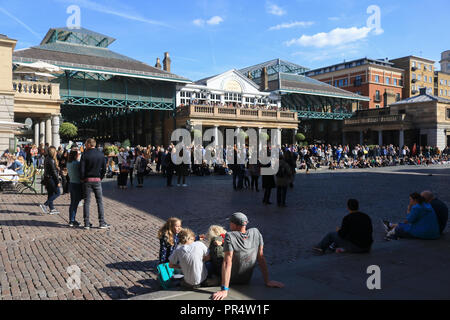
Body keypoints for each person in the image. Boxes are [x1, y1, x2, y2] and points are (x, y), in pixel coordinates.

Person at [212, 212, 284, 300]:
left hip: (231, 279)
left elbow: (227, 263)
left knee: (215, 246)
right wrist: (267, 281)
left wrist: (224, 290)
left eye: (230, 223)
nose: (229, 224)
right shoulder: (256, 232)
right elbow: (261, 257)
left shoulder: (229, 236)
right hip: (245, 279)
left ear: (234, 225)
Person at [80, 138, 109, 230]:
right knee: (99, 201)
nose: (85, 146)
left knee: (87, 202)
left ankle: (87, 223)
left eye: (85, 144)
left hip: (87, 180)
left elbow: (81, 170)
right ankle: (101, 222)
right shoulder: (101, 154)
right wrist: (100, 177)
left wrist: (83, 178)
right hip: (97, 180)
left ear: (89, 144)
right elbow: (104, 169)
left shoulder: (85, 154)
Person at [40, 147, 61, 215]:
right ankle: (45, 204)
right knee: (57, 193)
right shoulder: (51, 160)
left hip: (47, 178)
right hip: (51, 179)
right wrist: (58, 182)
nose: (56, 152)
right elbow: (54, 172)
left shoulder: (47, 158)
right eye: (55, 151)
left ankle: (51, 208)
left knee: (50, 193)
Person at [67, 148, 82, 227]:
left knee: (73, 202)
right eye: (78, 154)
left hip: (71, 183)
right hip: (77, 184)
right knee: (75, 202)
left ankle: (71, 219)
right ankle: (72, 220)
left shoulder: (68, 163)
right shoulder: (77, 163)